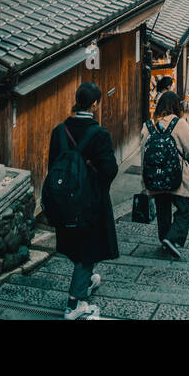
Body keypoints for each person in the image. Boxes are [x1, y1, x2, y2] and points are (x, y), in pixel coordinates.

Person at [46, 81, 119, 320]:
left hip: (64, 201)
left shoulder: (59, 131)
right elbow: (109, 170)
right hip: (91, 202)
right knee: (87, 250)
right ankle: (74, 303)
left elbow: (52, 166)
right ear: (95, 104)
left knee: (76, 245)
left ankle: (85, 281)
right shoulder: (99, 134)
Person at [142, 90, 189, 259]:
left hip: (156, 176)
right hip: (177, 175)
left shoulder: (148, 125)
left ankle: (165, 238)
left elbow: (144, 154)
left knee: (162, 208)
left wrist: (144, 181)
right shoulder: (179, 123)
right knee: (183, 208)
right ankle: (172, 238)